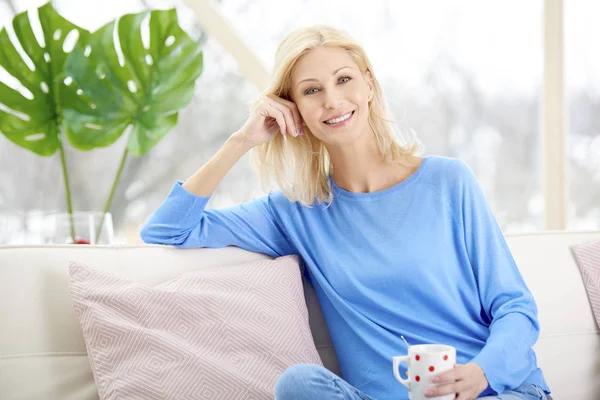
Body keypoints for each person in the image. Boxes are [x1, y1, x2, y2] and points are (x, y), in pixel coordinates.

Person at [140, 25, 551, 400]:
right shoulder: (295, 212)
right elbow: (168, 230)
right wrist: (242, 140)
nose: (333, 100)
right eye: (311, 90)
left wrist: (481, 373)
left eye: (344, 79)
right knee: (298, 384)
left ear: (369, 85)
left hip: (495, 391)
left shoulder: (448, 182)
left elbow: (515, 306)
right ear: (293, 109)